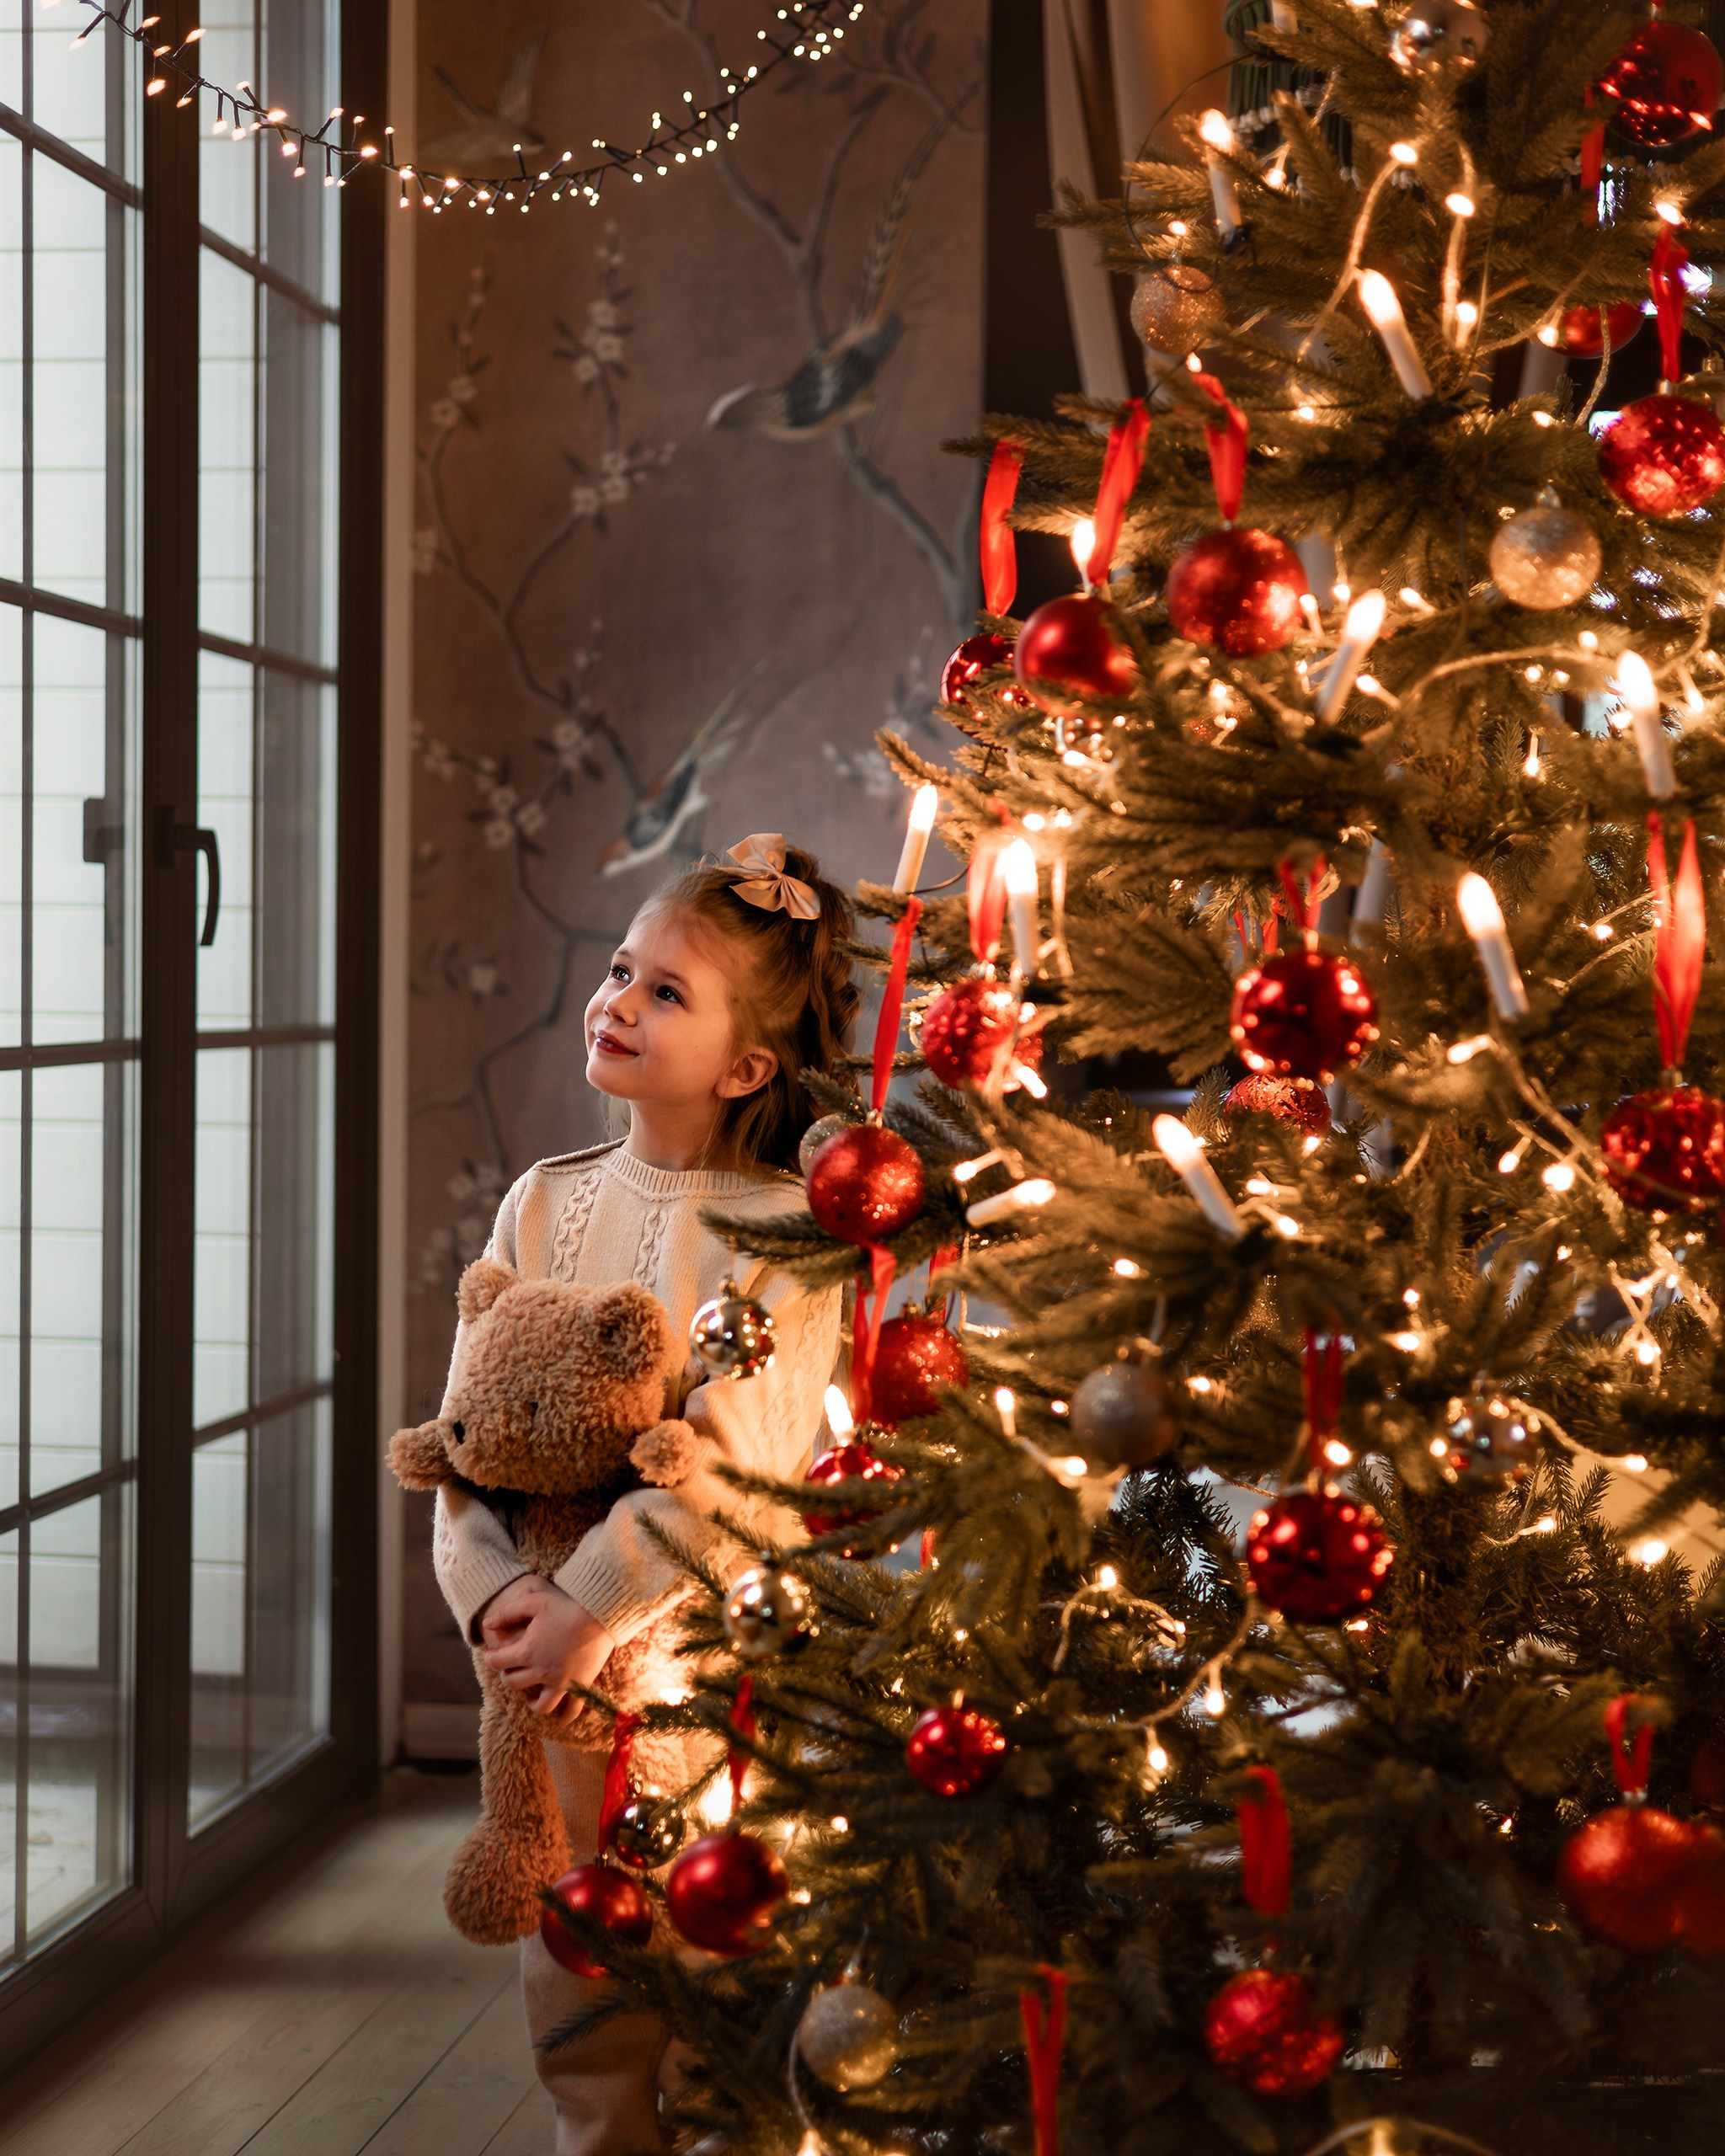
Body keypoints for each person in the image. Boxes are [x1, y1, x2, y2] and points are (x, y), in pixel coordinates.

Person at [428, 835, 854, 2156]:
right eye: (621, 970)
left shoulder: (789, 1229)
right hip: (551, 1690)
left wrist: (596, 1604)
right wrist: (507, 1596)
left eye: (666, 991)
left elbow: (738, 1461)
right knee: (580, 1975)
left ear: (745, 1065)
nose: (617, 1001)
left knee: (717, 1965)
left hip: (709, 1685)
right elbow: (463, 1443)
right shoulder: (541, 1201)